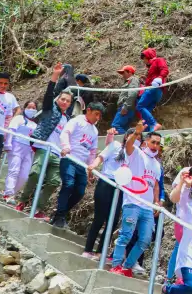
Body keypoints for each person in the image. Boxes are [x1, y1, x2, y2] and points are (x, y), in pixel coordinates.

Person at [109, 122, 162, 277]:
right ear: (146, 142)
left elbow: (156, 185)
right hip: (132, 202)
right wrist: (136, 132)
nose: (155, 146)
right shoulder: (137, 154)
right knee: (126, 235)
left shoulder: (157, 164)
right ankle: (116, 265)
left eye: (158, 144)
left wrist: (157, 202)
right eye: (153, 142)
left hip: (147, 207)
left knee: (145, 239)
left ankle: (127, 266)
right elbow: (129, 145)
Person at [15, 80, 73, 218]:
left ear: (70, 104)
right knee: (35, 173)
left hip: (57, 153)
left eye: (68, 101)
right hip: (43, 148)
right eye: (62, 99)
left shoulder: (68, 120)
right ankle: (22, 201)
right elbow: (48, 96)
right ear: (58, 99)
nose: (64, 102)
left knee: (53, 181)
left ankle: (38, 209)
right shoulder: (50, 109)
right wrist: (53, 79)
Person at [51, 102, 104, 228]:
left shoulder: (94, 131)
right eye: (96, 114)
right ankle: (59, 216)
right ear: (89, 110)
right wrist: (66, 146)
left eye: (100, 116)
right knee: (68, 185)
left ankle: (60, 214)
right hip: (69, 159)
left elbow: (92, 151)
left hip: (81, 165)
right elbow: (65, 133)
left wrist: (90, 168)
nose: (97, 118)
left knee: (80, 192)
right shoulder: (77, 121)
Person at [82, 127, 125, 259]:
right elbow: (101, 157)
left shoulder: (135, 155)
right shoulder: (116, 145)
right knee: (99, 218)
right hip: (106, 182)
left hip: (121, 187)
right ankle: (88, 249)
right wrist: (92, 167)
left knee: (113, 221)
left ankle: (100, 251)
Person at [2, 100, 38, 204]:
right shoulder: (18, 118)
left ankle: (11, 192)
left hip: (28, 150)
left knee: (24, 175)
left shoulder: (35, 125)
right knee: (14, 170)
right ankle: (8, 194)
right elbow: (11, 130)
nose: (31, 109)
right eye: (29, 107)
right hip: (16, 146)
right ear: (25, 108)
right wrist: (8, 143)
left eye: (34, 108)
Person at [139, 48, 168, 131]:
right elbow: (154, 78)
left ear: (148, 56)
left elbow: (164, 69)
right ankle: (149, 130)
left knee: (140, 106)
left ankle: (154, 124)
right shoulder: (151, 66)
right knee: (146, 110)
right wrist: (146, 79)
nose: (144, 61)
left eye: (144, 59)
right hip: (156, 91)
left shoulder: (158, 60)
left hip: (154, 90)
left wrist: (160, 77)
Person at [111, 65, 141, 131]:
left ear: (129, 72)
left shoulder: (133, 79)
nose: (122, 75)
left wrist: (125, 107)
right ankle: (128, 140)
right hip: (127, 108)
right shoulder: (129, 81)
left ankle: (128, 140)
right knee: (124, 128)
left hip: (126, 108)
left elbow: (133, 93)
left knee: (115, 126)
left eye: (123, 73)